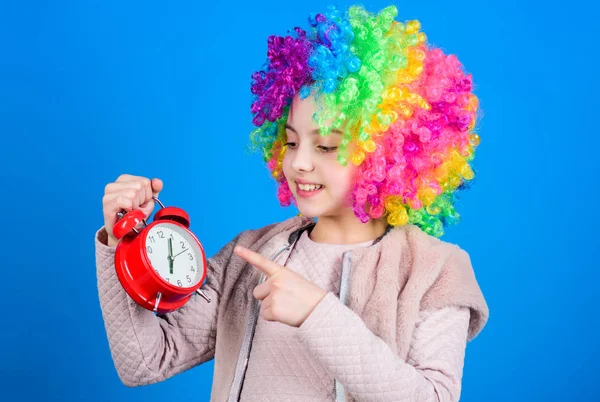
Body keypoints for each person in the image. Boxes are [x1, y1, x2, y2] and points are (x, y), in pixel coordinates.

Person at [95, 4, 489, 401]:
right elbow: (145, 361)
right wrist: (120, 242)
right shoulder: (250, 256)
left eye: (326, 145)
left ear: (388, 154)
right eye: (293, 141)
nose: (299, 162)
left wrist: (319, 314)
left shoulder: (435, 270)